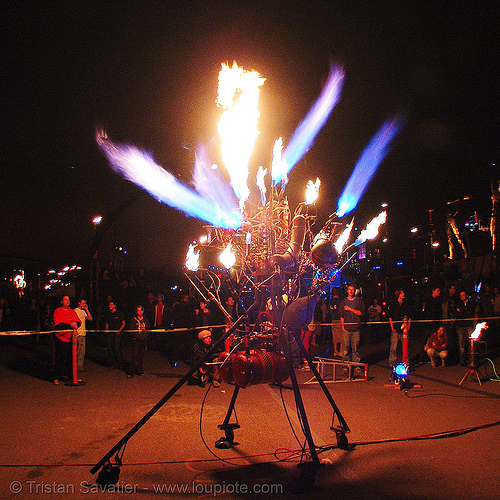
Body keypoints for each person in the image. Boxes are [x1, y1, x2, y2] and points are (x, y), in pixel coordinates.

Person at [52, 295, 81, 385]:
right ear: (61, 302)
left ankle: (71, 377)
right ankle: (57, 377)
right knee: (60, 359)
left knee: (71, 359)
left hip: (72, 339)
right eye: (65, 299)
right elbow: (57, 325)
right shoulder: (57, 311)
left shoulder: (72, 312)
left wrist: (75, 324)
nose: (67, 301)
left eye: (68, 300)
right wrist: (69, 325)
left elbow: (78, 322)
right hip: (61, 339)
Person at [339, 284, 365, 364]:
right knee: (345, 348)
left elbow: (361, 313)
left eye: (352, 289)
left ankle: (356, 364)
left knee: (355, 348)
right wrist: (343, 327)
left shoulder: (359, 301)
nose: (350, 291)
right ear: (347, 291)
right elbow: (341, 315)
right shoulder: (343, 302)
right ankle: (345, 365)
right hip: (346, 328)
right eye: (349, 289)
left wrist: (350, 309)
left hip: (356, 328)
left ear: (354, 291)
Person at [388, 289, 412, 364]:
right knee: (393, 347)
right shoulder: (393, 305)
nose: (403, 294)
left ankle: (406, 361)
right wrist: (392, 327)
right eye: (401, 293)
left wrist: (408, 327)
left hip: (404, 329)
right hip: (395, 328)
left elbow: (409, 317)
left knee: (405, 346)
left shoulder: (407, 305)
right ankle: (392, 361)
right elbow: (390, 317)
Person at [127, 305, 151, 377]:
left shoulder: (145, 319)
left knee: (141, 355)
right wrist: (137, 336)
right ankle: (131, 372)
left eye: (141, 310)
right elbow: (131, 330)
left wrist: (145, 336)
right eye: (138, 310)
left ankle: (140, 370)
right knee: (135, 355)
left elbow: (148, 329)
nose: (140, 312)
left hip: (143, 340)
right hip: (136, 340)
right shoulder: (133, 320)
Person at [456, 290, 476, 366]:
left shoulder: (471, 303)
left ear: (466, 295)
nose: (462, 297)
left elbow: (470, 313)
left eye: (463, 295)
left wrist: (463, 312)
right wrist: (461, 313)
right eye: (460, 296)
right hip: (460, 325)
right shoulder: (458, 303)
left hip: (468, 325)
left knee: (470, 343)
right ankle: (462, 360)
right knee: (461, 344)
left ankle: (471, 359)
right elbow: (457, 313)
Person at [105, 301, 126, 371]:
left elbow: (123, 323)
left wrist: (119, 330)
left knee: (116, 349)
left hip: (117, 334)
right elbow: (107, 323)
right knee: (110, 349)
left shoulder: (119, 313)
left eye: (111, 304)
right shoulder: (108, 314)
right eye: (109, 304)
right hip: (110, 334)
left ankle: (121, 363)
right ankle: (114, 364)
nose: (110, 306)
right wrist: (107, 330)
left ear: (114, 305)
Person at [75, 298, 92, 372]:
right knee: (77, 351)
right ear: (79, 303)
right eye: (83, 303)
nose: (84, 304)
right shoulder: (75, 311)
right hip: (78, 333)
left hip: (83, 333)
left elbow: (90, 318)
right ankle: (74, 366)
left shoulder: (83, 311)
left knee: (82, 351)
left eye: (85, 303)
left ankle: (79, 366)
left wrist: (87, 309)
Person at [329, 288, 343, 358]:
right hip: (340, 320)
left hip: (333, 320)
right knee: (341, 335)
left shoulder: (330, 302)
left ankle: (335, 350)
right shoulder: (341, 301)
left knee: (334, 336)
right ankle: (340, 350)